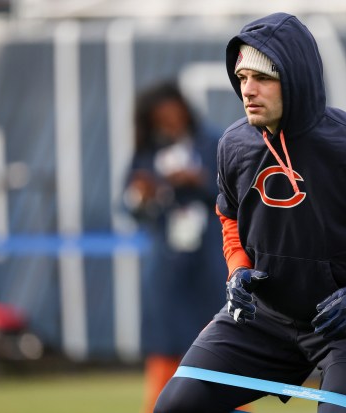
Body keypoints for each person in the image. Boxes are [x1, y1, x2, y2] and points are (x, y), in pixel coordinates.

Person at [154, 12, 346, 413]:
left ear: (295, 79)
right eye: (242, 78)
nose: (248, 90)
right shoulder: (234, 144)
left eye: (262, 78)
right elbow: (228, 214)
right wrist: (237, 268)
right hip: (264, 317)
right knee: (174, 407)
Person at [123, 81, 226, 413]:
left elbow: (238, 195)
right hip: (168, 266)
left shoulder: (214, 142)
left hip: (212, 262)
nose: (168, 122)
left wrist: (200, 181)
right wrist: (143, 196)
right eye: (159, 117)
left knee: (221, 347)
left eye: (172, 113)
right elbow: (127, 205)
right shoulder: (148, 152)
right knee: (166, 348)